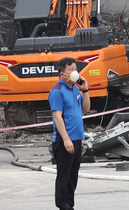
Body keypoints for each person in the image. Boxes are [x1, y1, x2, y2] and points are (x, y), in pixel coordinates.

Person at [48, 57, 89, 210]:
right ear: (61, 73)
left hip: (77, 139)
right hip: (64, 140)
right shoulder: (57, 91)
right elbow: (57, 117)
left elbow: (86, 109)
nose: (74, 72)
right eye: (70, 70)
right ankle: (62, 205)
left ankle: (70, 206)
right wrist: (66, 139)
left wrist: (85, 90)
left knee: (73, 177)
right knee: (64, 176)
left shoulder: (75, 90)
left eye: (75, 69)